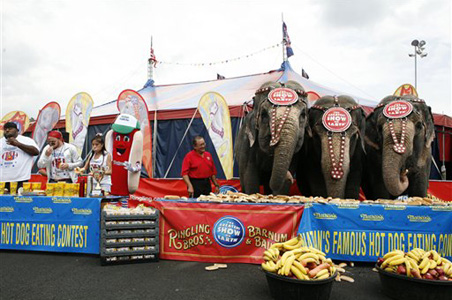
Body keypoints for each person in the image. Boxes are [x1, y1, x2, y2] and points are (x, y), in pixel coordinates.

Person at [0, 122, 40, 190]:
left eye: (10, 128)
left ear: (17, 130)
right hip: (2, 180)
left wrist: (18, 144)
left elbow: (36, 152)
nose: (7, 130)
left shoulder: (26, 140)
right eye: (5, 129)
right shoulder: (1, 141)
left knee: (19, 199)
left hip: (20, 179)